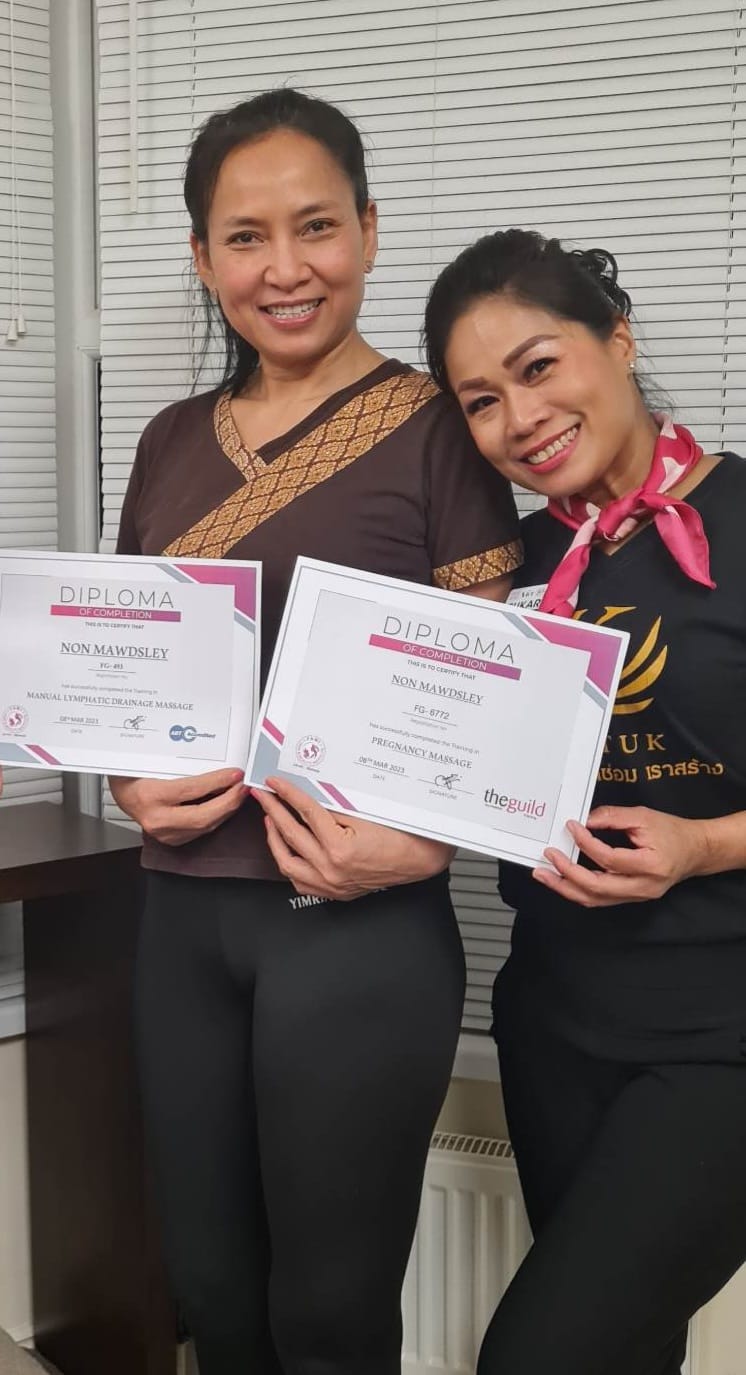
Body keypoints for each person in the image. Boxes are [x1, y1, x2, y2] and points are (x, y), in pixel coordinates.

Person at [111, 90, 521, 1375]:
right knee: (211, 1294)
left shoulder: (444, 429)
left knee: (329, 1318)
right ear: (202, 257)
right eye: (245, 236)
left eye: (316, 226)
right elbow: (133, 672)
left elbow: (491, 703)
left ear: (368, 230)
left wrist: (425, 844)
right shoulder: (168, 440)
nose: (284, 268)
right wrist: (127, 783)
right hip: (179, 919)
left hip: (356, 935)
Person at [422, 228, 746, 1375]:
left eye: (537, 366)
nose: (518, 417)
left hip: (719, 1035)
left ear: (616, 339)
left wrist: (703, 844)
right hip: (552, 1018)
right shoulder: (500, 572)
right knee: (626, 1354)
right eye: (479, 400)